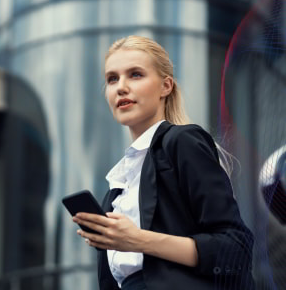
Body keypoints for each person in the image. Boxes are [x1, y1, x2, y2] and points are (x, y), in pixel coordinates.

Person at [72, 36, 255, 290]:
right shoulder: (116, 188)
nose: (121, 87)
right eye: (112, 79)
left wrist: (138, 239)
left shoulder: (182, 142)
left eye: (135, 75)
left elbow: (235, 249)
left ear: (165, 86)